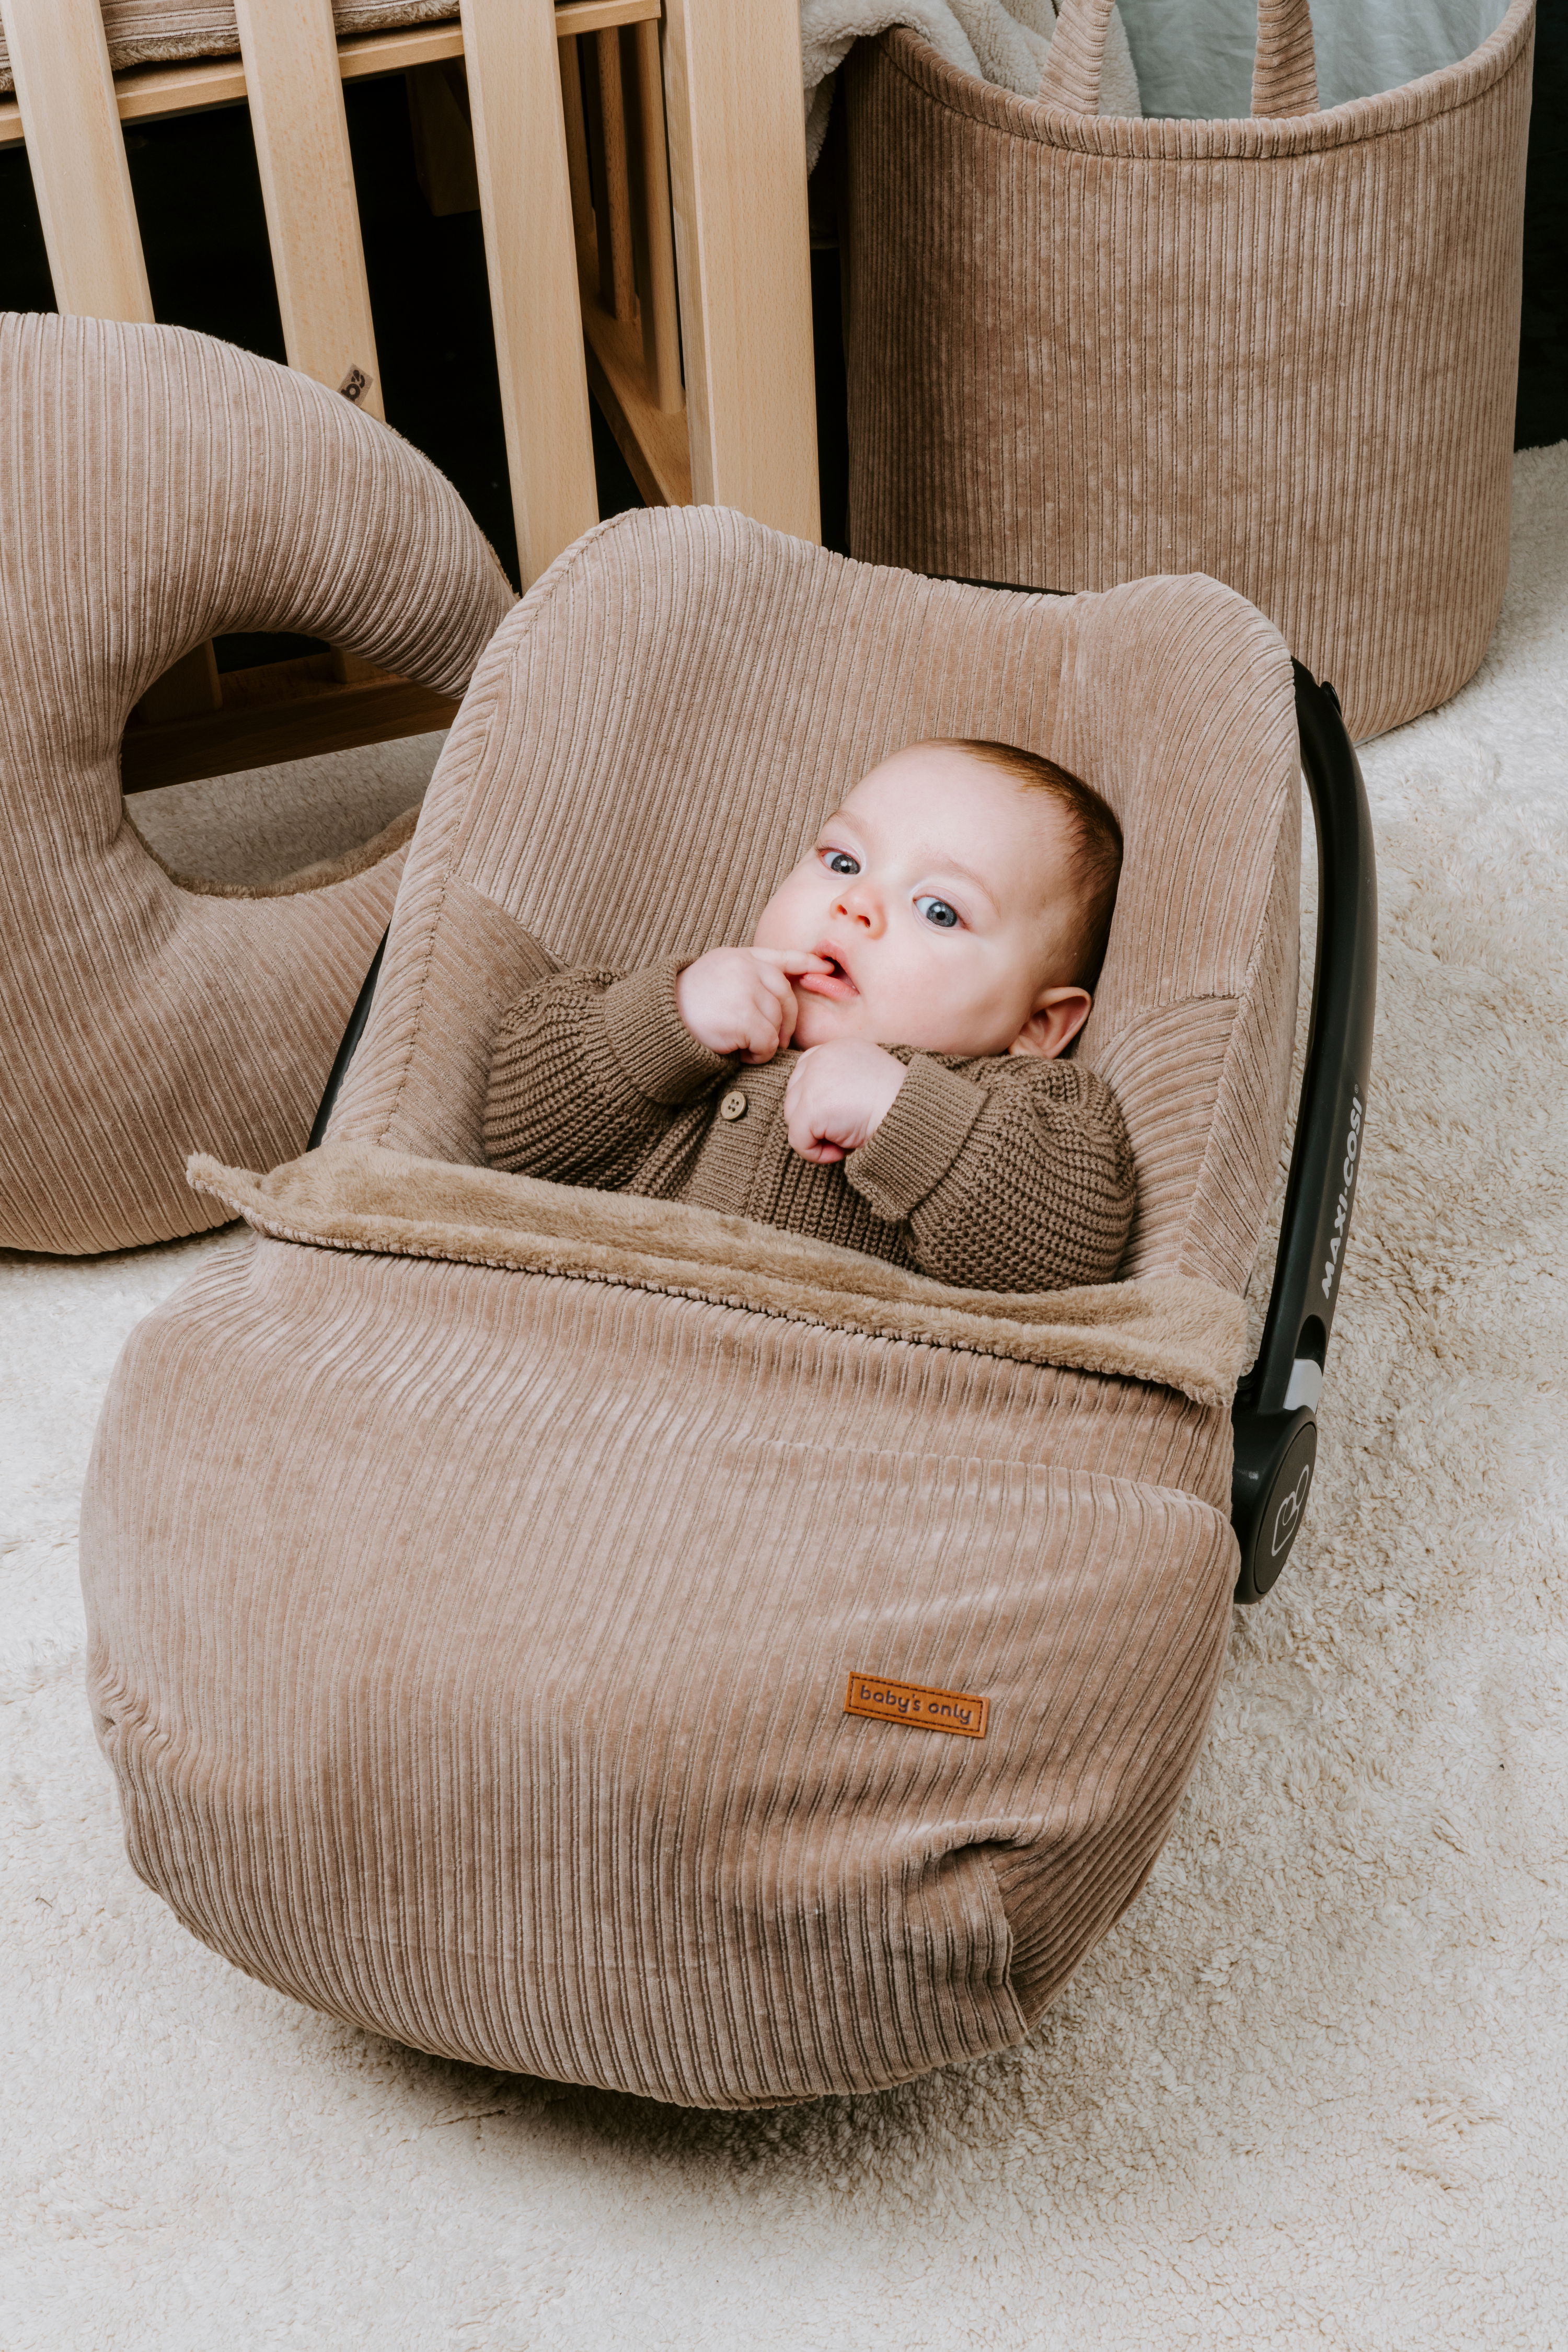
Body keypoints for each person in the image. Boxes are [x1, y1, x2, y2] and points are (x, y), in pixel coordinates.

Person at [482, 738, 1135, 1293]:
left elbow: (1074, 1250)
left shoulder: (1029, 1105)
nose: (856, 902)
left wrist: (900, 1114)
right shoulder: (692, 1014)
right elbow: (515, 1133)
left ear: (1037, 1028)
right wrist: (668, 1021)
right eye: (844, 863)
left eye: (938, 910)